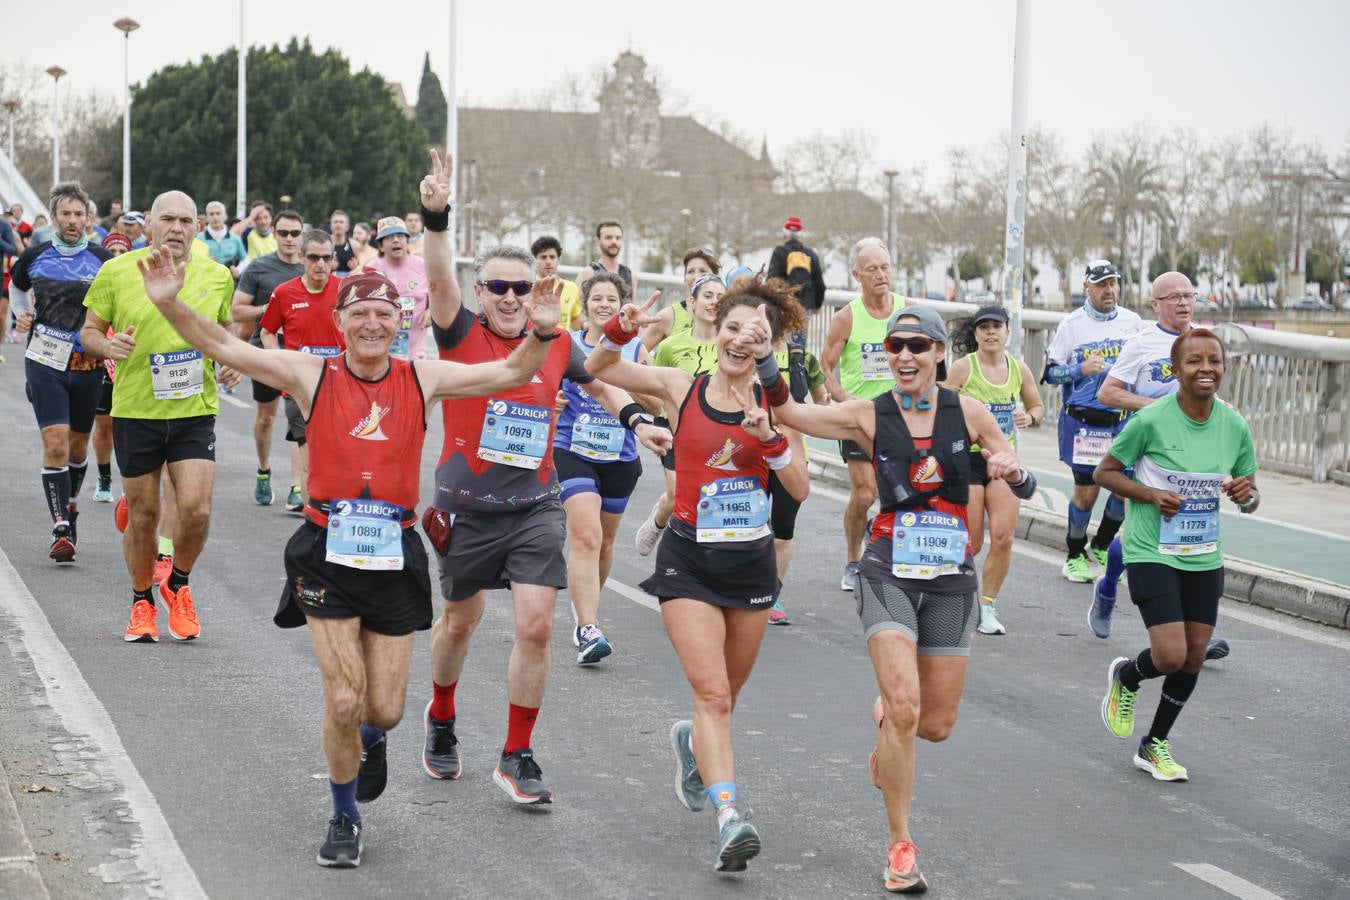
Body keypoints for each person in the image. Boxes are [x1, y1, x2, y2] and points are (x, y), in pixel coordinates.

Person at [135, 235, 564, 865]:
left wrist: (542, 333)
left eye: (384, 313)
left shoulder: (424, 376)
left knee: (384, 710)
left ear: (401, 323)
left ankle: (371, 735)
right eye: (358, 312)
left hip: (394, 549)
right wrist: (171, 306)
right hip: (326, 548)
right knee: (342, 696)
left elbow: (511, 372)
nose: (371, 322)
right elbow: (223, 345)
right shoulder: (312, 372)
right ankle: (343, 817)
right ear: (338, 322)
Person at [415, 151, 670, 803]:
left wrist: (640, 421)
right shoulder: (459, 333)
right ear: (480, 293)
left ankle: (516, 754)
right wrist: (436, 215)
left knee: (535, 625)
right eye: (496, 287)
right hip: (467, 502)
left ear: (535, 293)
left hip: (534, 503)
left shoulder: (557, 340)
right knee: (460, 623)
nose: (507, 298)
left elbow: (605, 380)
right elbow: (438, 272)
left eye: (519, 289)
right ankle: (441, 712)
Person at [761, 304, 1036, 893]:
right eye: (895, 346)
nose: (905, 356)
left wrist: (1010, 468)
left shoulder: (969, 412)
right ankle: (900, 847)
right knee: (908, 707)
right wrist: (766, 358)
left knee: (931, 725)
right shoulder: (869, 413)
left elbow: (1019, 475)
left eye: (917, 346)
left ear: (940, 354)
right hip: (887, 569)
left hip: (951, 578)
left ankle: (890, 728)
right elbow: (789, 412)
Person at [585, 279, 809, 874]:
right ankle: (729, 817)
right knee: (712, 695)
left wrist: (771, 440)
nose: (741, 339)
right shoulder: (680, 387)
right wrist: (623, 327)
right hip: (688, 560)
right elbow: (597, 366)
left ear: (770, 345)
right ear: (717, 332)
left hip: (751, 564)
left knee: (724, 702)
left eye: (756, 334)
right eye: (732, 328)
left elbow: (799, 488)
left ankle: (692, 745)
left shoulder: (777, 405)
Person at [1096, 328, 1257, 783]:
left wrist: (1247, 495)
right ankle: (1127, 677)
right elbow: (1104, 472)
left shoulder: (1234, 425)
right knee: (1169, 655)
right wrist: (1149, 493)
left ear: (1224, 368)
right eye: (1194, 361)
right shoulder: (1150, 421)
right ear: (1176, 369)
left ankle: (1155, 744)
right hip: (1152, 551)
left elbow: (1250, 495)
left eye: (1214, 361)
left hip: (1204, 555)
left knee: (1194, 655)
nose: (1206, 369)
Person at [80, 190, 238, 643]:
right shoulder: (116, 272)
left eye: (185, 221)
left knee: (197, 508)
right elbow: (88, 331)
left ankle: (178, 583)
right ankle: (141, 602)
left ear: (196, 227)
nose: (176, 228)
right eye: (167, 219)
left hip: (194, 410)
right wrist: (107, 346)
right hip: (135, 411)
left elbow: (225, 332)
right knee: (145, 514)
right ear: (149, 224)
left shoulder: (215, 276)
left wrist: (232, 360)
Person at [1091, 273, 1232, 661]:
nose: (1184, 303)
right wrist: (1156, 408)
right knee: (1143, 529)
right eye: (1174, 297)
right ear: (1155, 304)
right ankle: (1107, 591)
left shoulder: (1202, 340)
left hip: (1192, 454)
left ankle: (1192, 631)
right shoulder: (1142, 344)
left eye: (1189, 296)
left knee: (1191, 531)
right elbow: (1108, 392)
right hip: (1148, 450)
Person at [552, 272, 652, 664]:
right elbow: (543, 390)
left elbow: (657, 407)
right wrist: (554, 402)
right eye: (597, 299)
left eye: (612, 299)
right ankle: (589, 629)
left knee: (606, 543)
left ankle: (584, 614)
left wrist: (633, 391)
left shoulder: (638, 348)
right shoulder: (568, 345)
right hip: (572, 450)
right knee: (587, 537)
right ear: (585, 305)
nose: (605, 305)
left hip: (621, 456)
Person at [9, 182, 112, 561]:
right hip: (44, 361)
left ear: (88, 218)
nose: (72, 221)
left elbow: (119, 303)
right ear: (53, 218)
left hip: (87, 363)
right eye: (65, 214)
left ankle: (71, 504)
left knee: (78, 447)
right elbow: (18, 291)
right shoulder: (35, 255)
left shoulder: (104, 260)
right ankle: (60, 527)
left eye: (78, 214)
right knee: (55, 443)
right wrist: (22, 314)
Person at [942, 306, 1044, 635]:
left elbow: (1037, 405)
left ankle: (987, 607)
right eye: (983, 327)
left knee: (1003, 537)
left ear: (1007, 333)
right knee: (971, 542)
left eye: (996, 327)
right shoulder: (962, 369)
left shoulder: (1019, 369)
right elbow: (939, 408)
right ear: (975, 334)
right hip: (968, 460)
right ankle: (949, 593)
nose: (990, 332)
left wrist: (1030, 418)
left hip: (1003, 460)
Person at [1043, 260, 1141, 583]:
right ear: (1087, 287)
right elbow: (1049, 373)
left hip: (1122, 420)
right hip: (1083, 423)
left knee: (1127, 487)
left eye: (1113, 283)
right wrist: (1078, 369)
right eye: (1101, 285)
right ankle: (1074, 552)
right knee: (1087, 493)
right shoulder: (1072, 325)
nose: (1109, 290)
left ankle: (1102, 543)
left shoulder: (1133, 323)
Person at [820, 237, 908, 591]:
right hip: (858, 418)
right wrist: (842, 396)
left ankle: (885, 545)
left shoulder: (906, 311)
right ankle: (854, 559)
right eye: (872, 269)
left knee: (901, 492)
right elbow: (824, 366)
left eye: (885, 267)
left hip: (900, 416)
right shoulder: (846, 317)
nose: (880, 275)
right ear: (857, 275)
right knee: (864, 494)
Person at [633, 274, 725, 556]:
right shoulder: (671, 346)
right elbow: (654, 386)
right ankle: (660, 519)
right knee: (677, 494)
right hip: (675, 429)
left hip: (718, 434)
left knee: (709, 496)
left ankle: (698, 552)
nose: (714, 303)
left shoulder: (731, 344)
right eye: (708, 296)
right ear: (692, 302)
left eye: (721, 298)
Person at [259, 228, 344, 512]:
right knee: (310, 450)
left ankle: (329, 498)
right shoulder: (284, 293)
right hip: (298, 386)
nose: (320, 264)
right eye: (313, 257)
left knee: (337, 448)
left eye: (326, 258)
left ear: (334, 259)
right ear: (302, 258)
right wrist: (281, 364)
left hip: (339, 384)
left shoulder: (345, 291)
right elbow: (267, 332)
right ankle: (313, 507)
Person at [232, 209, 306, 507]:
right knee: (266, 418)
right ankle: (263, 471)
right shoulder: (260, 268)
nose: (289, 239)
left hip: (300, 355)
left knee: (301, 421)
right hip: (265, 352)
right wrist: (273, 309)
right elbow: (237, 311)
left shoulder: (310, 268)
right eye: (284, 233)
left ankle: (297, 487)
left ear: (302, 235)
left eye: (295, 233)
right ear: (273, 233)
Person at [91, 233, 134, 502]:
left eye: (122, 250)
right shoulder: (99, 281)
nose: (117, 254)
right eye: (112, 250)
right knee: (104, 425)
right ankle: (104, 475)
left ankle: (131, 482)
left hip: (130, 359)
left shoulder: (137, 281)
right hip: (102, 361)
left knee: (129, 426)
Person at [361, 217, 429, 363]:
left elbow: (438, 293)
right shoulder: (371, 269)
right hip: (380, 344)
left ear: (407, 241)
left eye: (400, 236)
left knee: (415, 380)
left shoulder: (423, 266)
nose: (396, 240)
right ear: (380, 246)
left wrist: (432, 312)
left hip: (415, 344)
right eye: (390, 237)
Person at [640, 247, 720, 351]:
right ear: (684, 278)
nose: (696, 276)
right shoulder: (668, 316)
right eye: (690, 271)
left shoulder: (726, 316)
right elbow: (635, 355)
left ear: (715, 277)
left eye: (703, 271)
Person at [766, 217, 827, 315]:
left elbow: (771, 281)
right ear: (800, 235)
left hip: (784, 304)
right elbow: (820, 283)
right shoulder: (810, 253)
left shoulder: (779, 252)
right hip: (806, 305)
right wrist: (817, 305)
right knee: (801, 329)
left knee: (784, 330)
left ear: (785, 233)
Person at [531, 236, 583, 332]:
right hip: (536, 343)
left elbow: (575, 320)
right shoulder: (528, 288)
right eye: (543, 257)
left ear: (558, 260)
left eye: (552, 257)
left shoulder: (571, 288)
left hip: (562, 344)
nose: (548, 262)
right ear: (535, 260)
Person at [197, 201, 247, 278]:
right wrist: (205, 263)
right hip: (206, 282)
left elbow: (245, 259)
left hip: (230, 282)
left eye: (218, 213)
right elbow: (193, 261)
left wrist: (238, 270)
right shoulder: (198, 239)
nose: (215, 217)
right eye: (211, 214)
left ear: (225, 216)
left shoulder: (235, 238)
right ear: (206, 218)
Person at [586, 220, 635, 292]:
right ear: (598, 241)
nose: (614, 242)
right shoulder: (589, 273)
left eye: (618, 238)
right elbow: (579, 303)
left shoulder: (631, 276)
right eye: (608, 237)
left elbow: (632, 302)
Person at [329, 210, 355, 276]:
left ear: (347, 227)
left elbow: (363, 268)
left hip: (348, 283)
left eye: (341, 222)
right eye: (335, 222)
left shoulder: (354, 245)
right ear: (331, 226)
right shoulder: (324, 243)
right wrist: (327, 265)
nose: (338, 224)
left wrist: (356, 267)